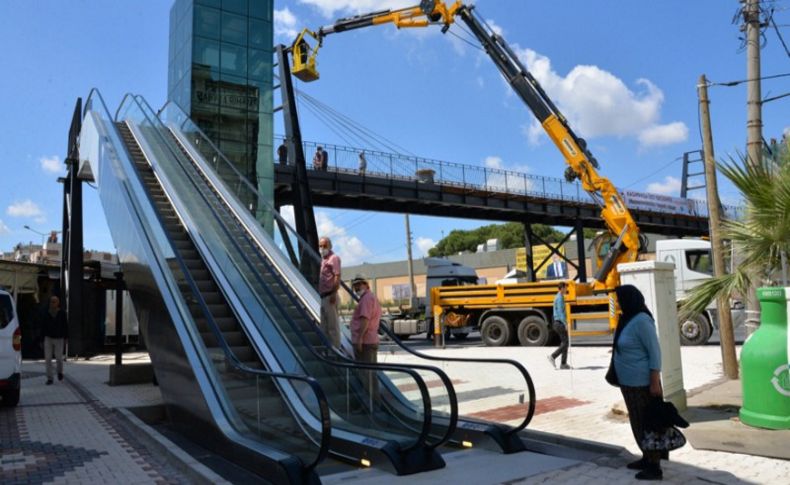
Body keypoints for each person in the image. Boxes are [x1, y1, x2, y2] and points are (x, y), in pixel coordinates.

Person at [612, 284, 664, 481]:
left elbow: (655, 353)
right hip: (628, 383)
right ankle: (645, 457)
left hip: (642, 383)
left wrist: (654, 381)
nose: (618, 303)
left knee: (647, 423)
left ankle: (654, 466)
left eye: (620, 299)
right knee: (637, 421)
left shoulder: (642, 321)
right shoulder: (628, 318)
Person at [350, 274, 381, 401]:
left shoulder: (366, 299)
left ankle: (369, 405)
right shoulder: (371, 297)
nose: (357, 287)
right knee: (370, 375)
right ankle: (374, 404)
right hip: (370, 340)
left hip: (365, 342)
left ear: (366, 284)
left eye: (359, 284)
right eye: (355, 285)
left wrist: (359, 339)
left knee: (365, 376)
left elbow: (365, 319)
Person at [318, 237, 341, 348]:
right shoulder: (323, 260)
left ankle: (336, 350)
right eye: (320, 246)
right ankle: (327, 349)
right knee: (324, 327)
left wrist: (333, 293)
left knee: (332, 327)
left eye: (324, 246)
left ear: (330, 246)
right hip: (323, 297)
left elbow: (337, 276)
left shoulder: (334, 258)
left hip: (330, 296)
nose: (322, 248)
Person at [41, 295, 68, 385]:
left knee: (59, 358)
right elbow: (43, 326)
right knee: (48, 358)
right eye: (51, 301)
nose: (52, 303)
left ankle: (59, 372)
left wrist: (66, 337)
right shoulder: (46, 313)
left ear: (58, 303)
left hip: (59, 338)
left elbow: (65, 326)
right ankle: (50, 378)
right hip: (48, 338)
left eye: (54, 301)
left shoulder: (62, 313)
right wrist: (42, 338)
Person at [547, 282, 570, 370]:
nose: (566, 289)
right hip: (559, 323)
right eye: (566, 287)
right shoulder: (560, 298)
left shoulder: (559, 296)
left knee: (564, 342)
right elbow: (560, 313)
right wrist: (565, 323)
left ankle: (563, 364)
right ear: (562, 288)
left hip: (558, 322)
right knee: (565, 343)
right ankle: (553, 356)